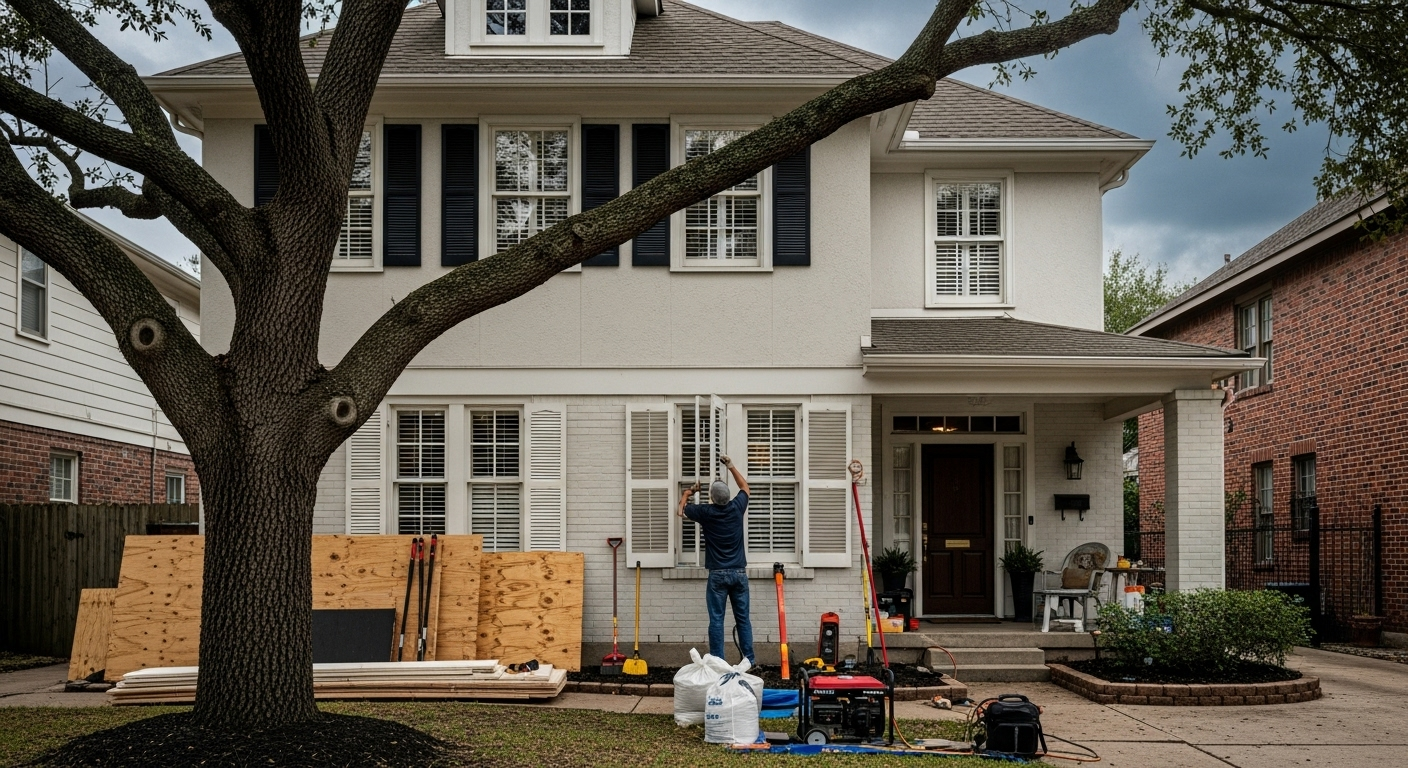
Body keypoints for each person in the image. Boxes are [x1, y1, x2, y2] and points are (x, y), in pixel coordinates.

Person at [677, 454, 754, 664]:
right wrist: (731, 466)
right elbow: (746, 488)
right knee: (743, 620)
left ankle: (719, 662)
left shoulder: (706, 512)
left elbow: (680, 511)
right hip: (739, 573)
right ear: (728, 497)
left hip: (717, 575)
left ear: (712, 498)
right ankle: (749, 661)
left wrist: (687, 493)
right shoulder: (737, 507)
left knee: (717, 620)